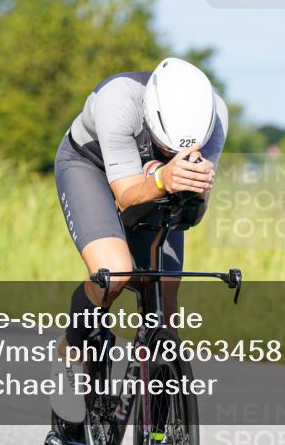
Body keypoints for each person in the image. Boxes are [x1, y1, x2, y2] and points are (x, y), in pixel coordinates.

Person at [45, 57, 229, 445]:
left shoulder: (216, 117)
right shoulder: (119, 101)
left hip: (156, 181)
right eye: (163, 146)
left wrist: (191, 194)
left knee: (165, 292)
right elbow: (127, 197)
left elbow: (191, 213)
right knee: (116, 271)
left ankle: (158, 420)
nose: (169, 151)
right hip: (91, 168)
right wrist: (163, 175)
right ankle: (75, 346)